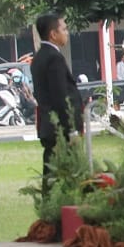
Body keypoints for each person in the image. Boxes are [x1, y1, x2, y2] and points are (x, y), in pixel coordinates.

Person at [32, 12, 83, 187]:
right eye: (64, 29)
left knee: (52, 176)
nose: (67, 32)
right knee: (64, 177)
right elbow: (61, 97)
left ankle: (50, 209)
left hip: (49, 126)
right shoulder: (53, 58)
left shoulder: (39, 57)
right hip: (59, 129)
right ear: (53, 34)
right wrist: (71, 131)